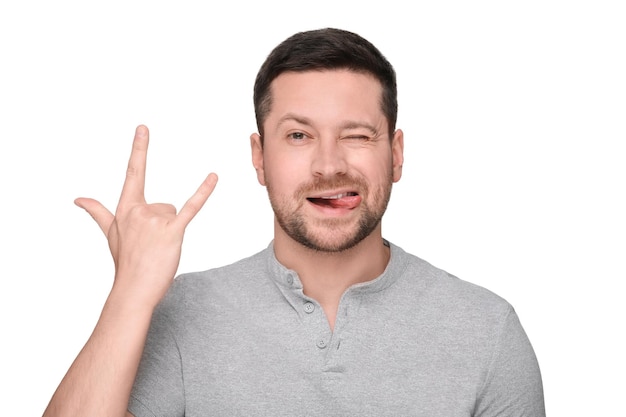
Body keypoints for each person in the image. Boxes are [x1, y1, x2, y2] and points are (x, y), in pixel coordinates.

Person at [43, 28, 545, 417]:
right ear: (259, 158)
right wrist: (130, 291)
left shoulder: (487, 329)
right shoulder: (181, 313)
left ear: (395, 155)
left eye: (357, 136)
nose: (329, 165)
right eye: (299, 136)